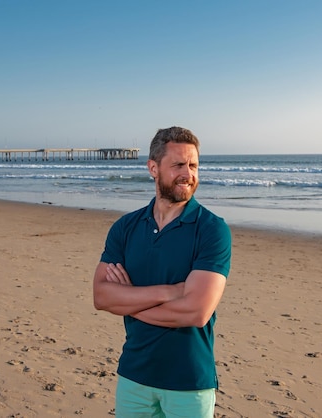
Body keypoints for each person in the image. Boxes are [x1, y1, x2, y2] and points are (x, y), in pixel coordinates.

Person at [93, 126, 232, 417]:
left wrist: (129, 302)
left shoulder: (211, 230)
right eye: (178, 164)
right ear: (153, 168)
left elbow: (195, 312)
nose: (188, 174)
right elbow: (102, 297)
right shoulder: (125, 228)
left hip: (189, 383)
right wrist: (170, 291)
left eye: (193, 165)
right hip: (133, 376)